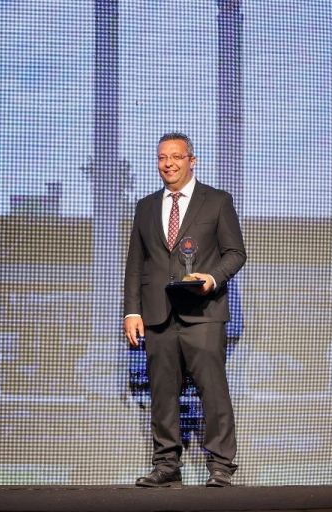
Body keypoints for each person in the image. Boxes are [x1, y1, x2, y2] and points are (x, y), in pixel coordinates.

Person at [123, 133, 246, 488]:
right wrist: (132, 312)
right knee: (162, 393)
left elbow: (236, 253)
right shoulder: (145, 206)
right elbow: (136, 264)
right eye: (162, 157)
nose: (168, 163)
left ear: (192, 161)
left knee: (213, 390)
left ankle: (221, 466)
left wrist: (213, 277)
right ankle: (166, 465)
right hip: (157, 314)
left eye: (176, 156)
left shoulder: (217, 201)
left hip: (203, 311)